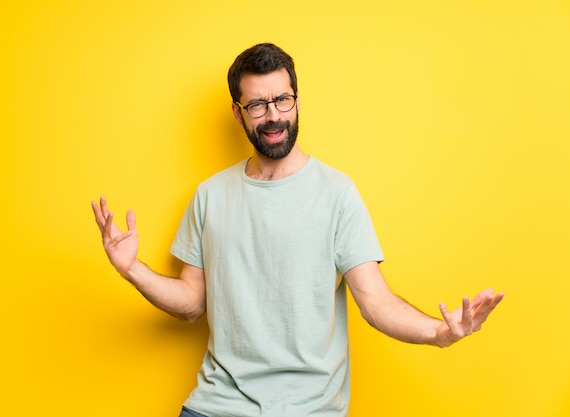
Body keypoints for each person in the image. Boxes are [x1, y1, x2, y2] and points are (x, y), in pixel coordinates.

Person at [91, 43, 504, 417]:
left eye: (282, 100)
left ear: (297, 101)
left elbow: (376, 303)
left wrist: (438, 332)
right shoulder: (209, 196)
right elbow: (191, 303)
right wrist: (131, 269)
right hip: (215, 407)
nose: (273, 116)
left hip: (307, 411)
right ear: (237, 112)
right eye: (257, 105)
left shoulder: (337, 193)